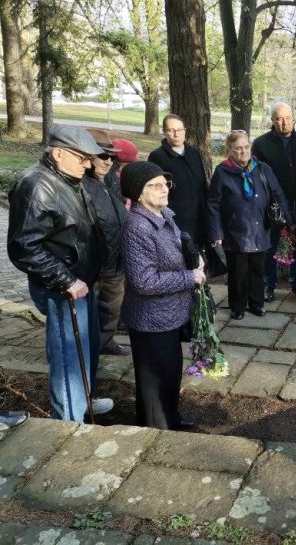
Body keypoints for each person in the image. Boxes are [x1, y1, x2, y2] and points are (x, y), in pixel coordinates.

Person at [7, 125, 113, 422]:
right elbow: (24, 247)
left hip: (83, 281)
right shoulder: (36, 185)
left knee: (86, 348)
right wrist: (66, 280)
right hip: (63, 286)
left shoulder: (69, 178)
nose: (88, 165)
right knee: (69, 355)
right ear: (58, 153)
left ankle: (85, 400)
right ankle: (68, 421)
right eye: (82, 158)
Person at [120, 161, 206, 430]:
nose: (163, 189)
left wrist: (194, 259)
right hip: (151, 320)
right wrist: (189, 277)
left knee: (170, 374)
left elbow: (176, 249)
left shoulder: (163, 214)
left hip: (170, 314)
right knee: (155, 383)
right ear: (138, 192)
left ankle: (171, 417)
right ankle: (156, 431)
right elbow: (143, 281)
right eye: (154, 185)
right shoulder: (138, 227)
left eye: (165, 183)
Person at [208, 130, 292, 320]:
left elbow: (277, 193)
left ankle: (256, 303)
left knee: (257, 269)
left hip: (259, 228)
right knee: (238, 272)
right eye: (238, 148)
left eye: (246, 147)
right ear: (230, 150)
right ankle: (238, 306)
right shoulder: (222, 171)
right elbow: (213, 204)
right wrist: (216, 232)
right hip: (235, 229)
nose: (243, 151)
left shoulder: (262, 168)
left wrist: (288, 220)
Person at [252, 102, 296, 302]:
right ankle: (268, 285)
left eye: (287, 118)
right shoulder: (261, 144)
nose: (284, 123)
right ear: (272, 120)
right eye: (279, 119)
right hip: (273, 206)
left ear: (293, 119)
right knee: (271, 247)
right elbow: (256, 175)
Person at [82, 139, 132, 356]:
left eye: (112, 157)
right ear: (89, 157)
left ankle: (106, 341)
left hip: (116, 258)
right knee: (89, 309)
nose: (109, 162)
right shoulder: (82, 183)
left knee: (112, 306)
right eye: (103, 156)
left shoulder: (111, 179)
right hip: (95, 261)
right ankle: (87, 348)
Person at [148, 114, 208, 250]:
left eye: (180, 130)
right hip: (176, 221)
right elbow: (154, 194)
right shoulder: (157, 157)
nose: (176, 134)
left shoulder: (194, 153)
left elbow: (202, 186)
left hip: (199, 219)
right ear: (165, 132)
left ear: (185, 130)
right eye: (171, 130)